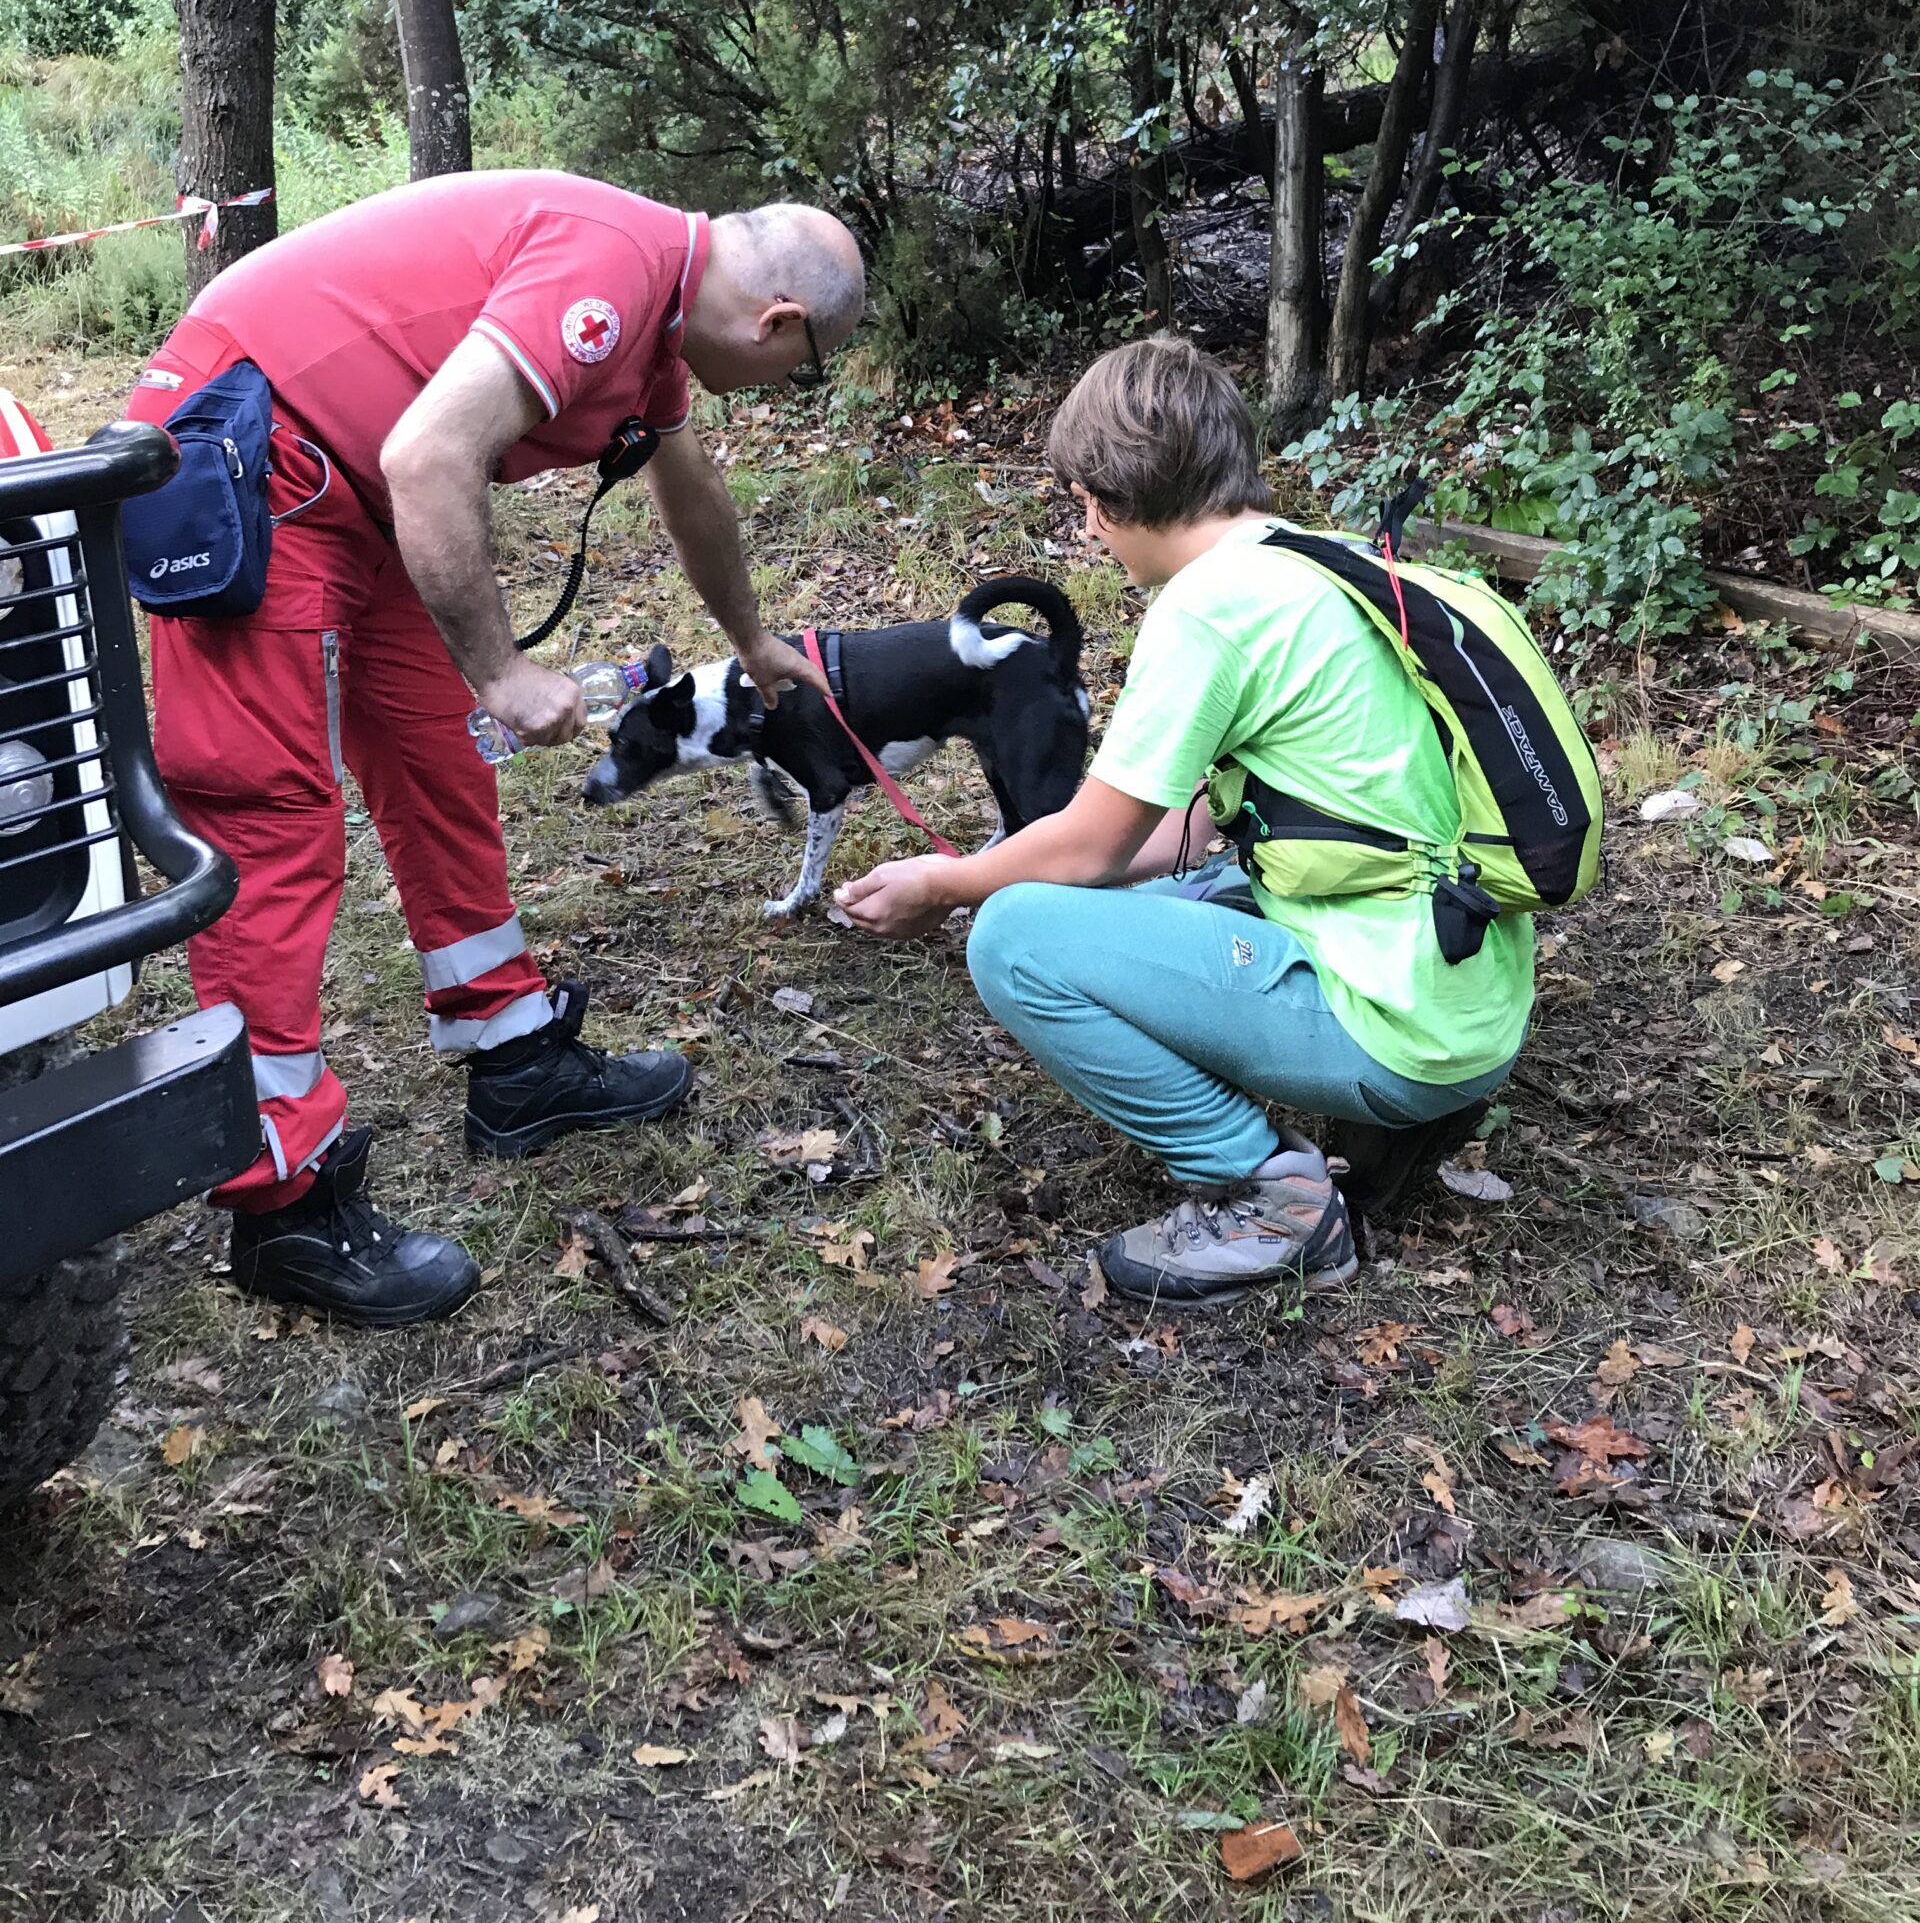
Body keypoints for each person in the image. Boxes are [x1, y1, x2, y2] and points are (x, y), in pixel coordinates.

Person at [126, 174, 864, 1326]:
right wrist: (502, 673)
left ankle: (512, 1056)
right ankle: (279, 1202)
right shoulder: (610, 271)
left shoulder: (661, 314)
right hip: (250, 454)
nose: (785, 385)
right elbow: (431, 455)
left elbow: (691, 491)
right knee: (272, 822)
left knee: (440, 770)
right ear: (779, 324)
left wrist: (754, 638)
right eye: (803, 365)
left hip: (352, 492)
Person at [836, 335, 1531, 1305]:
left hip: (1403, 1031)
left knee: (1012, 938)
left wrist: (947, 885)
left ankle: (1273, 1197)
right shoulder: (1323, 565)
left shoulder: (1209, 608)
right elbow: (1189, 831)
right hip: (1472, 1005)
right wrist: (1065, 872)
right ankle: (1393, 1109)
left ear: (1097, 502)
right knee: (1176, 885)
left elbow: (1094, 841)